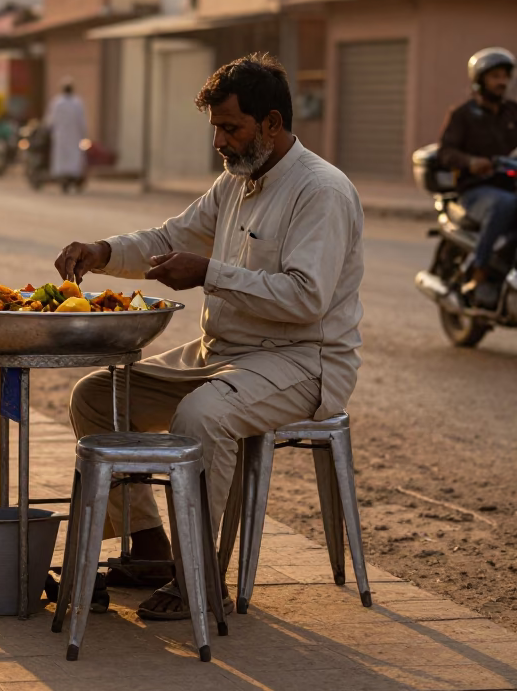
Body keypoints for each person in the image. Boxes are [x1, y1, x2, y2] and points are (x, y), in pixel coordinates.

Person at [55, 53, 364, 621]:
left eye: (231, 127)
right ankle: (149, 545)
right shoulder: (235, 182)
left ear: (271, 123)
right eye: (216, 128)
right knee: (96, 397)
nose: (220, 141)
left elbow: (306, 297)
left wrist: (209, 272)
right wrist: (101, 252)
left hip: (301, 362)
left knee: (202, 418)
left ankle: (200, 578)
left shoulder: (321, 191)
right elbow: (170, 236)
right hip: (221, 356)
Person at [438, 47, 517, 308]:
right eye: (495, 76)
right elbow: (445, 152)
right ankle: (479, 273)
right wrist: (472, 162)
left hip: (510, 183)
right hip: (476, 190)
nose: (502, 81)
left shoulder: (512, 113)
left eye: (505, 76)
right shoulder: (463, 115)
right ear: (480, 79)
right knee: (504, 204)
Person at [46, 79, 87, 192]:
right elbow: (82, 121)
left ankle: (66, 178)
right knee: (71, 158)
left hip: (62, 136)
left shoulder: (58, 102)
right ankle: (69, 178)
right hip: (71, 136)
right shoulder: (76, 103)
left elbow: (51, 120)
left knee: (65, 158)